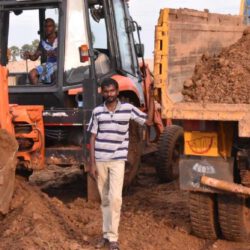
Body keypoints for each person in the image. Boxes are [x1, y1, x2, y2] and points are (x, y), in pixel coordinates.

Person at [88, 78, 154, 250]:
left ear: (117, 92)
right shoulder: (97, 112)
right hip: (101, 159)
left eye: (112, 91)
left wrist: (152, 98)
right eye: (106, 91)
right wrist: (92, 163)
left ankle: (113, 238)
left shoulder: (128, 109)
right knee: (104, 200)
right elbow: (92, 137)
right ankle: (105, 234)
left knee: (115, 198)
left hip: (118, 159)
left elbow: (148, 122)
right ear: (102, 92)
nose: (109, 94)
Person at [24, 18, 57, 84]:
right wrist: (29, 55)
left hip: (61, 64)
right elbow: (34, 57)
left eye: (50, 26)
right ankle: (36, 94)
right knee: (32, 74)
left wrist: (55, 53)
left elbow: (68, 53)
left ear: (54, 27)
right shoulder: (43, 42)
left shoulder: (62, 37)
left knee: (55, 75)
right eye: (45, 26)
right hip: (49, 65)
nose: (47, 28)